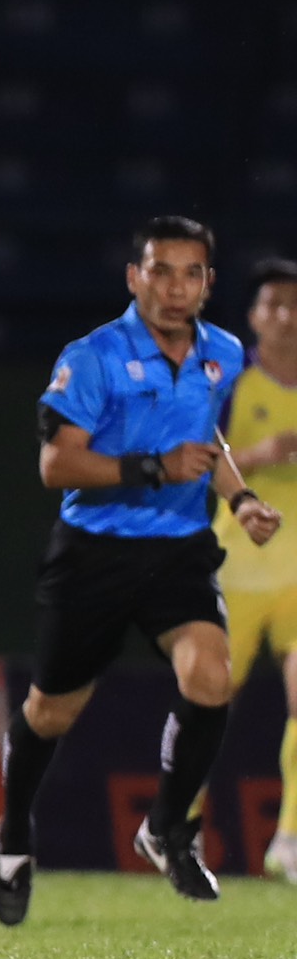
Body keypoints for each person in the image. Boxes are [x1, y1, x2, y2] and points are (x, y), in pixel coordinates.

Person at [0, 216, 282, 926]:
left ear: (209, 283)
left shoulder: (224, 352)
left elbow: (205, 437)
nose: (175, 287)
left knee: (210, 677)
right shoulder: (92, 356)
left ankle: (166, 829)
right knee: (53, 710)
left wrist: (239, 497)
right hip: (95, 552)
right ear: (134, 277)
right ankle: (14, 833)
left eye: (191, 273)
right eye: (160, 270)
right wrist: (152, 467)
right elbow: (56, 465)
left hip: (179, 550)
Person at [210, 257, 297, 883]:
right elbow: (198, 462)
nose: (286, 317)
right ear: (254, 317)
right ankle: (174, 823)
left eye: (295, 306)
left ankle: (289, 838)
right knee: (208, 704)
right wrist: (258, 457)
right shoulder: (230, 384)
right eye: (274, 305)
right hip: (237, 572)